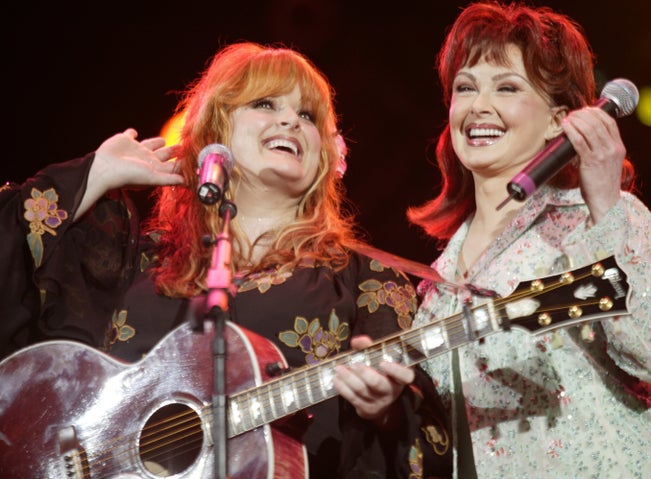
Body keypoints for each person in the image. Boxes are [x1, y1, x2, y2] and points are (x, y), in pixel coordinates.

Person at [0, 42, 452, 478]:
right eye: (266, 104)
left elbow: (429, 438)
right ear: (216, 132)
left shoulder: (365, 280)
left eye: (307, 115)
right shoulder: (133, 260)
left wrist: (386, 411)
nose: (291, 121)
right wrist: (94, 175)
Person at [407, 2, 651, 478]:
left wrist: (605, 204)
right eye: (465, 87)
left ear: (557, 120)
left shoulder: (599, 219)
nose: (479, 105)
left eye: (506, 87)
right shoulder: (436, 282)